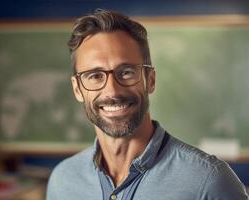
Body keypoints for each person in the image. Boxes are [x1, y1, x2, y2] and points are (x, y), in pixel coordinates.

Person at [46, 9, 248, 200]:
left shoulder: (210, 181)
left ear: (150, 79)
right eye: (95, 76)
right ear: (77, 89)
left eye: (126, 72)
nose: (112, 92)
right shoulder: (62, 180)